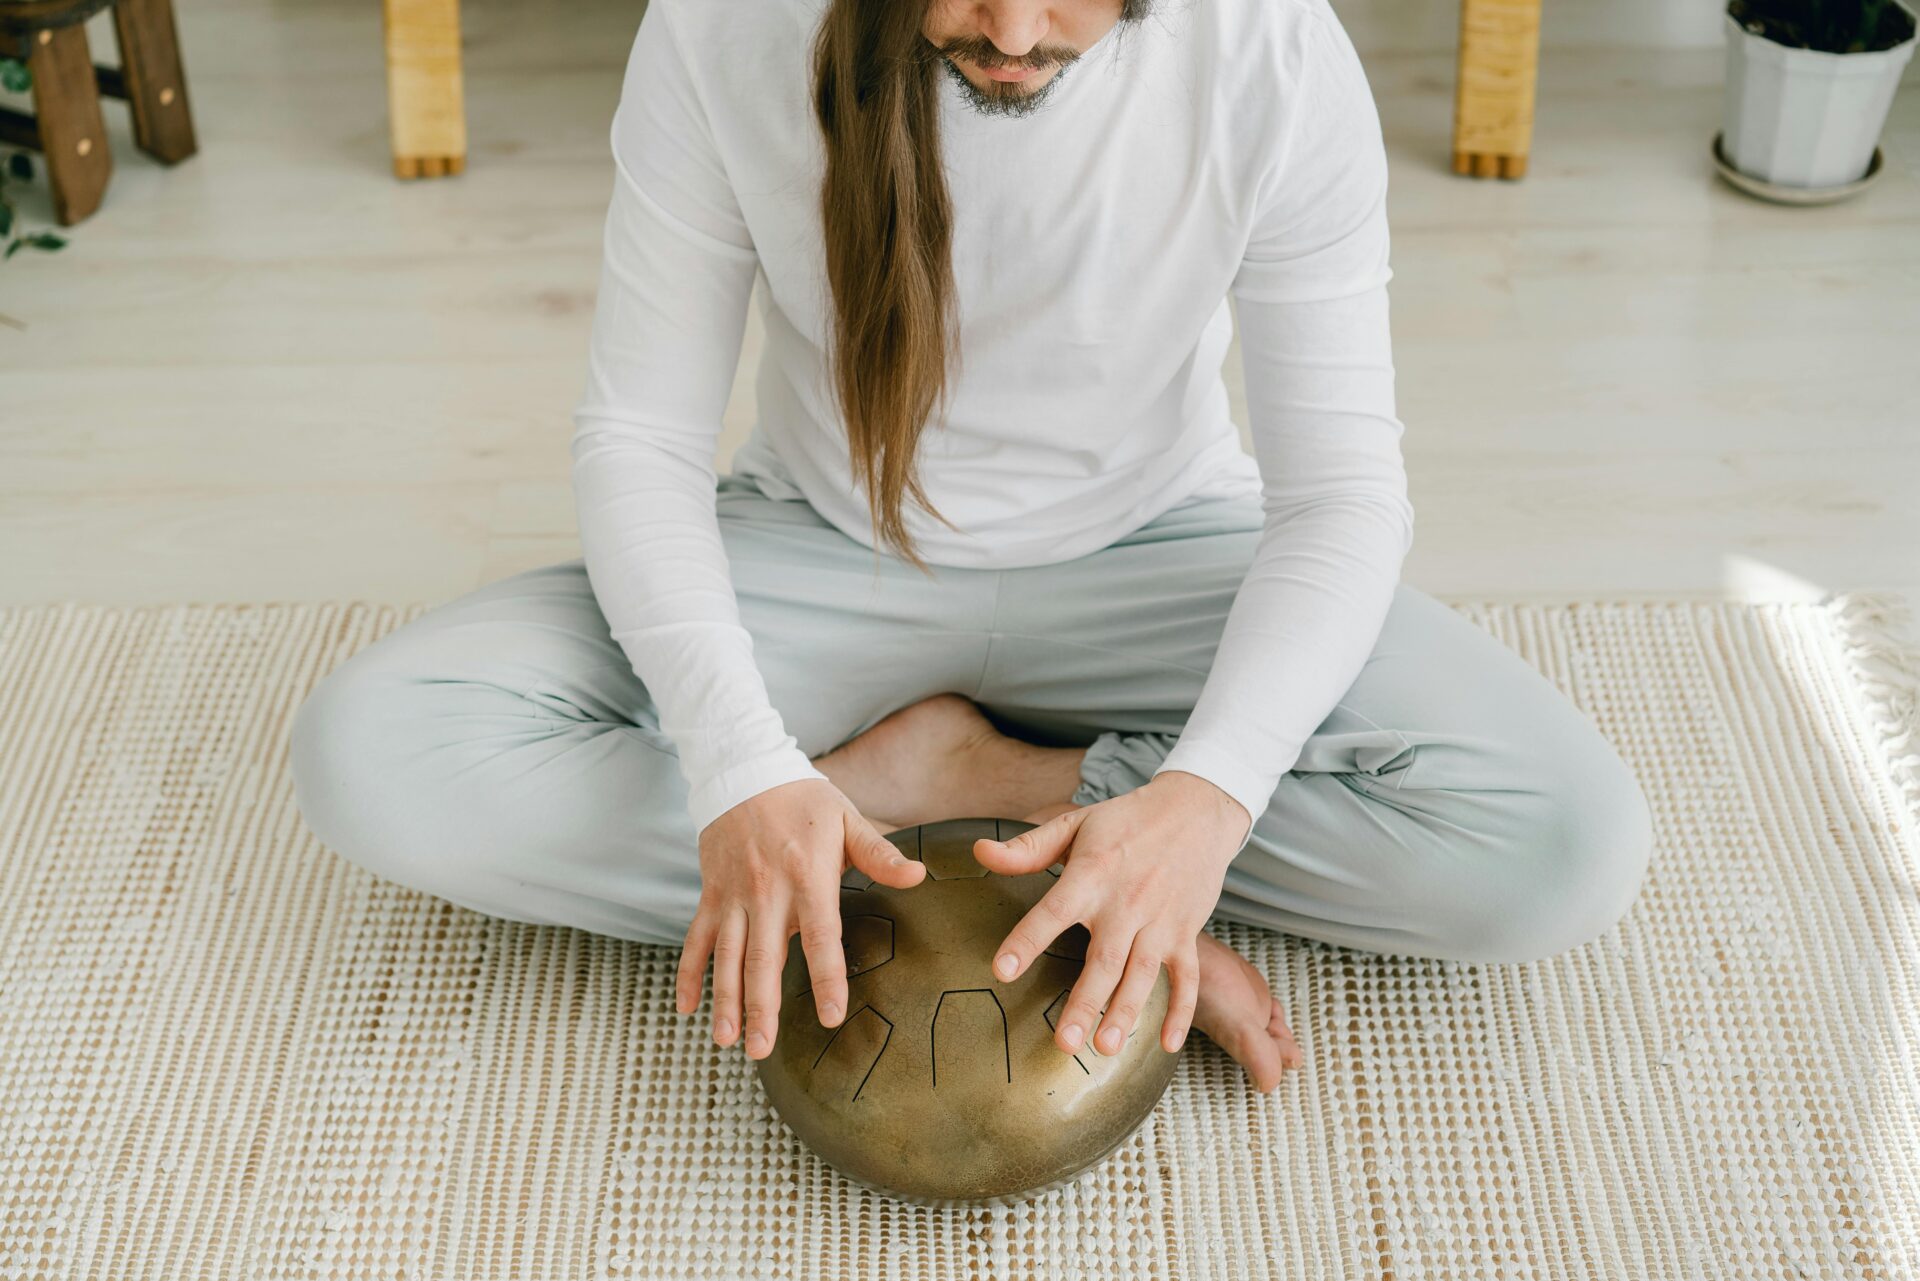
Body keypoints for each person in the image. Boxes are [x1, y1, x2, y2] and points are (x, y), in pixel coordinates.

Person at [290, 0, 1654, 1095]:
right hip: (821, 546)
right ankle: (1026, 878)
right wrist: (740, 763)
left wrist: (1209, 806)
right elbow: (641, 437)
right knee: (378, 754)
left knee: (1563, 845)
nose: (1010, 28)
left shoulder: (1277, 51)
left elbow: (1342, 493)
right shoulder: (719, 26)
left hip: (1159, 551)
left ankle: (982, 791)